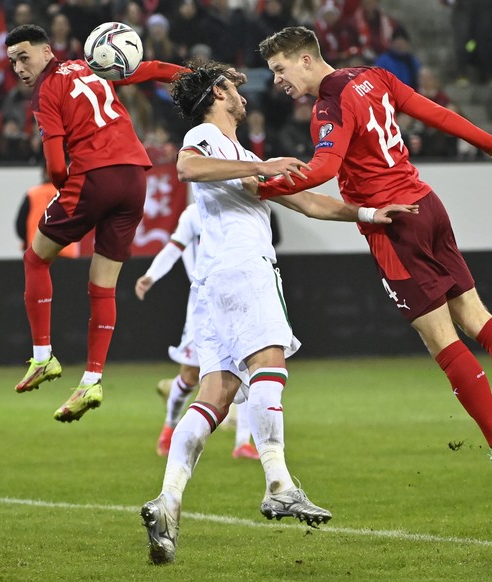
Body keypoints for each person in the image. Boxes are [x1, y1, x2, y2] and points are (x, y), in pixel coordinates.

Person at [255, 26, 492, 497]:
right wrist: (489, 143)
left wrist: (260, 181)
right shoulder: (374, 76)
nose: (277, 80)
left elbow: (323, 169)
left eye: (280, 69)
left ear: (305, 59)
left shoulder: (328, 106)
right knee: (476, 317)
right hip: (428, 204)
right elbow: (431, 111)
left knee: (441, 340)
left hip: (393, 224)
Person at [140, 60, 417, 565]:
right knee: (270, 365)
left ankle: (169, 499)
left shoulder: (238, 152)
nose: (246, 97)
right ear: (219, 94)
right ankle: (279, 483)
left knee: (215, 394)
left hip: (214, 285)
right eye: (236, 89)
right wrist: (260, 166)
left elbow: (306, 203)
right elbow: (186, 167)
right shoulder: (208, 136)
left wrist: (368, 214)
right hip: (245, 270)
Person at [5, 24, 187, 422]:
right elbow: (152, 68)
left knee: (36, 259)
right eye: (12, 61)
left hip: (94, 177)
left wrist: (64, 192)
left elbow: (55, 165)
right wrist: (201, 76)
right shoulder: (94, 64)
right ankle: (91, 380)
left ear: (45, 51)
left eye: (24, 56)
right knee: (102, 286)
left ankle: (42, 358)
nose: (19, 67)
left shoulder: (46, 92)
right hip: (136, 176)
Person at [134, 203, 259, 460]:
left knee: (246, 367)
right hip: (202, 304)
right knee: (190, 375)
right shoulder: (193, 213)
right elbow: (174, 247)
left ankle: (242, 443)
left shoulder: (240, 206)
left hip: (238, 298)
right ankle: (169, 427)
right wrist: (151, 275)